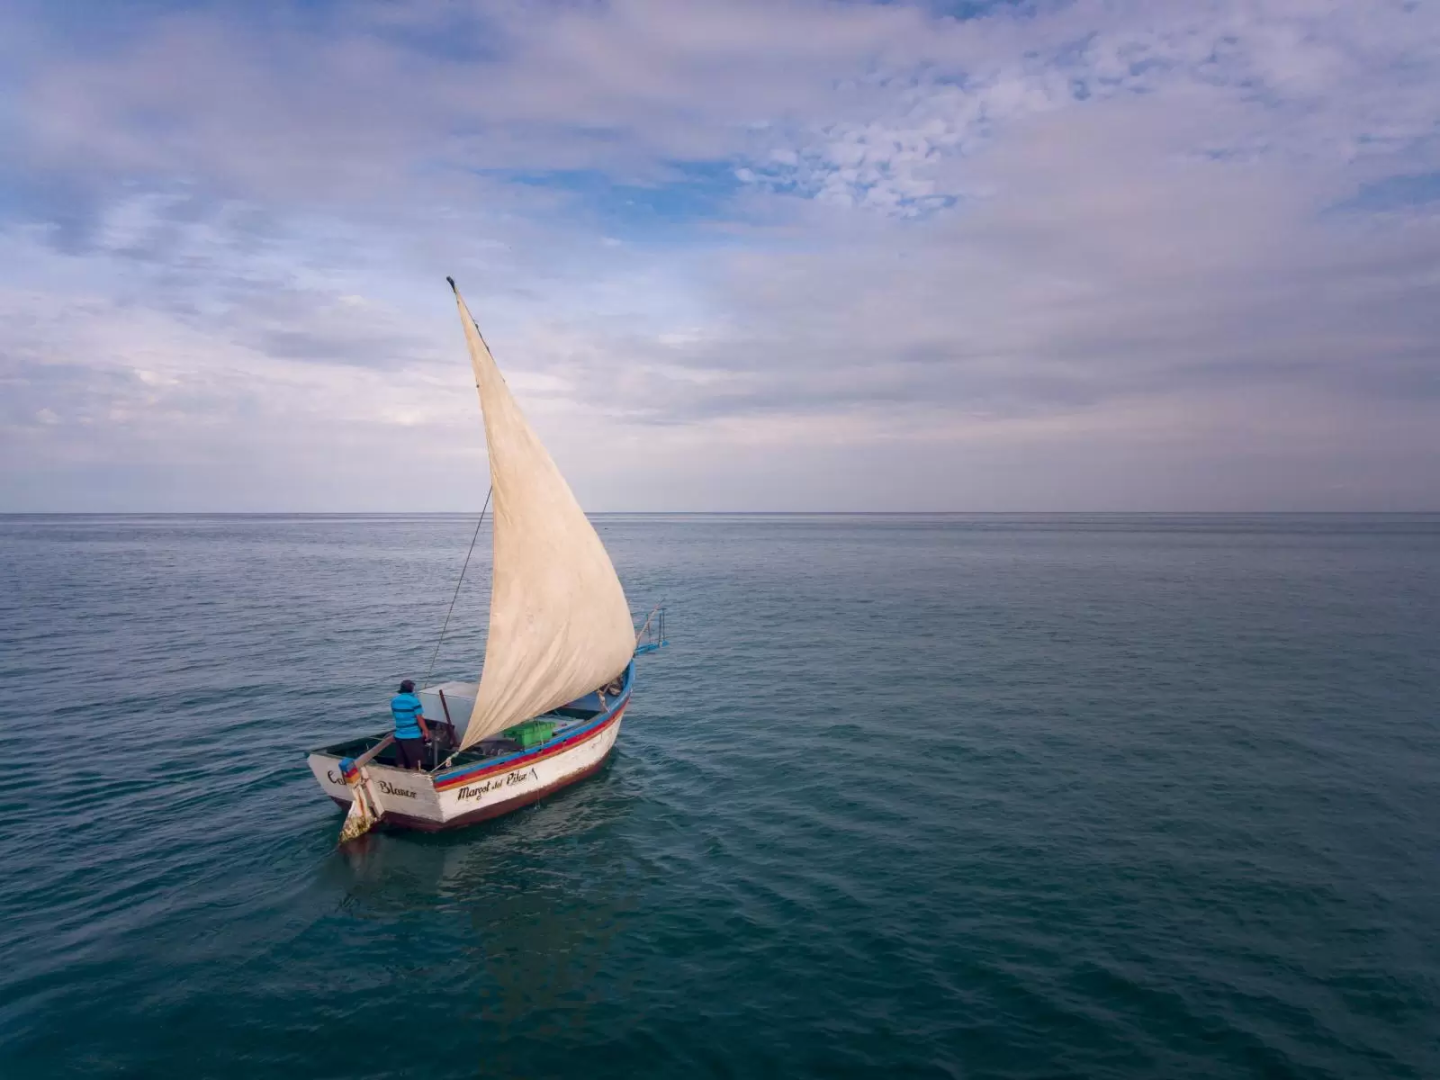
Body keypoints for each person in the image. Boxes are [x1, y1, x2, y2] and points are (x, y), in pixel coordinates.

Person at [390, 679, 431, 770]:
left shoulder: (394, 701)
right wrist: (426, 732)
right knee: (414, 763)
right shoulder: (414, 701)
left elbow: (395, 715)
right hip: (412, 736)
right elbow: (419, 719)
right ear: (412, 689)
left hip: (399, 735)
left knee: (401, 762)